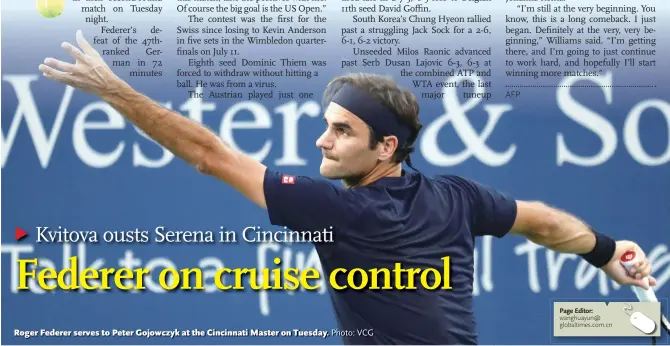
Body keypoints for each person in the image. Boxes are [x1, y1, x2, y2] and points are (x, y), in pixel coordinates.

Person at [39, 31, 658, 345]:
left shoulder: (340, 209)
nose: (322, 142)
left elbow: (207, 155)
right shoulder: (460, 198)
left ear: (385, 146)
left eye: (341, 130)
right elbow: (544, 221)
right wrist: (606, 252)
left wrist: (112, 90)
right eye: (325, 127)